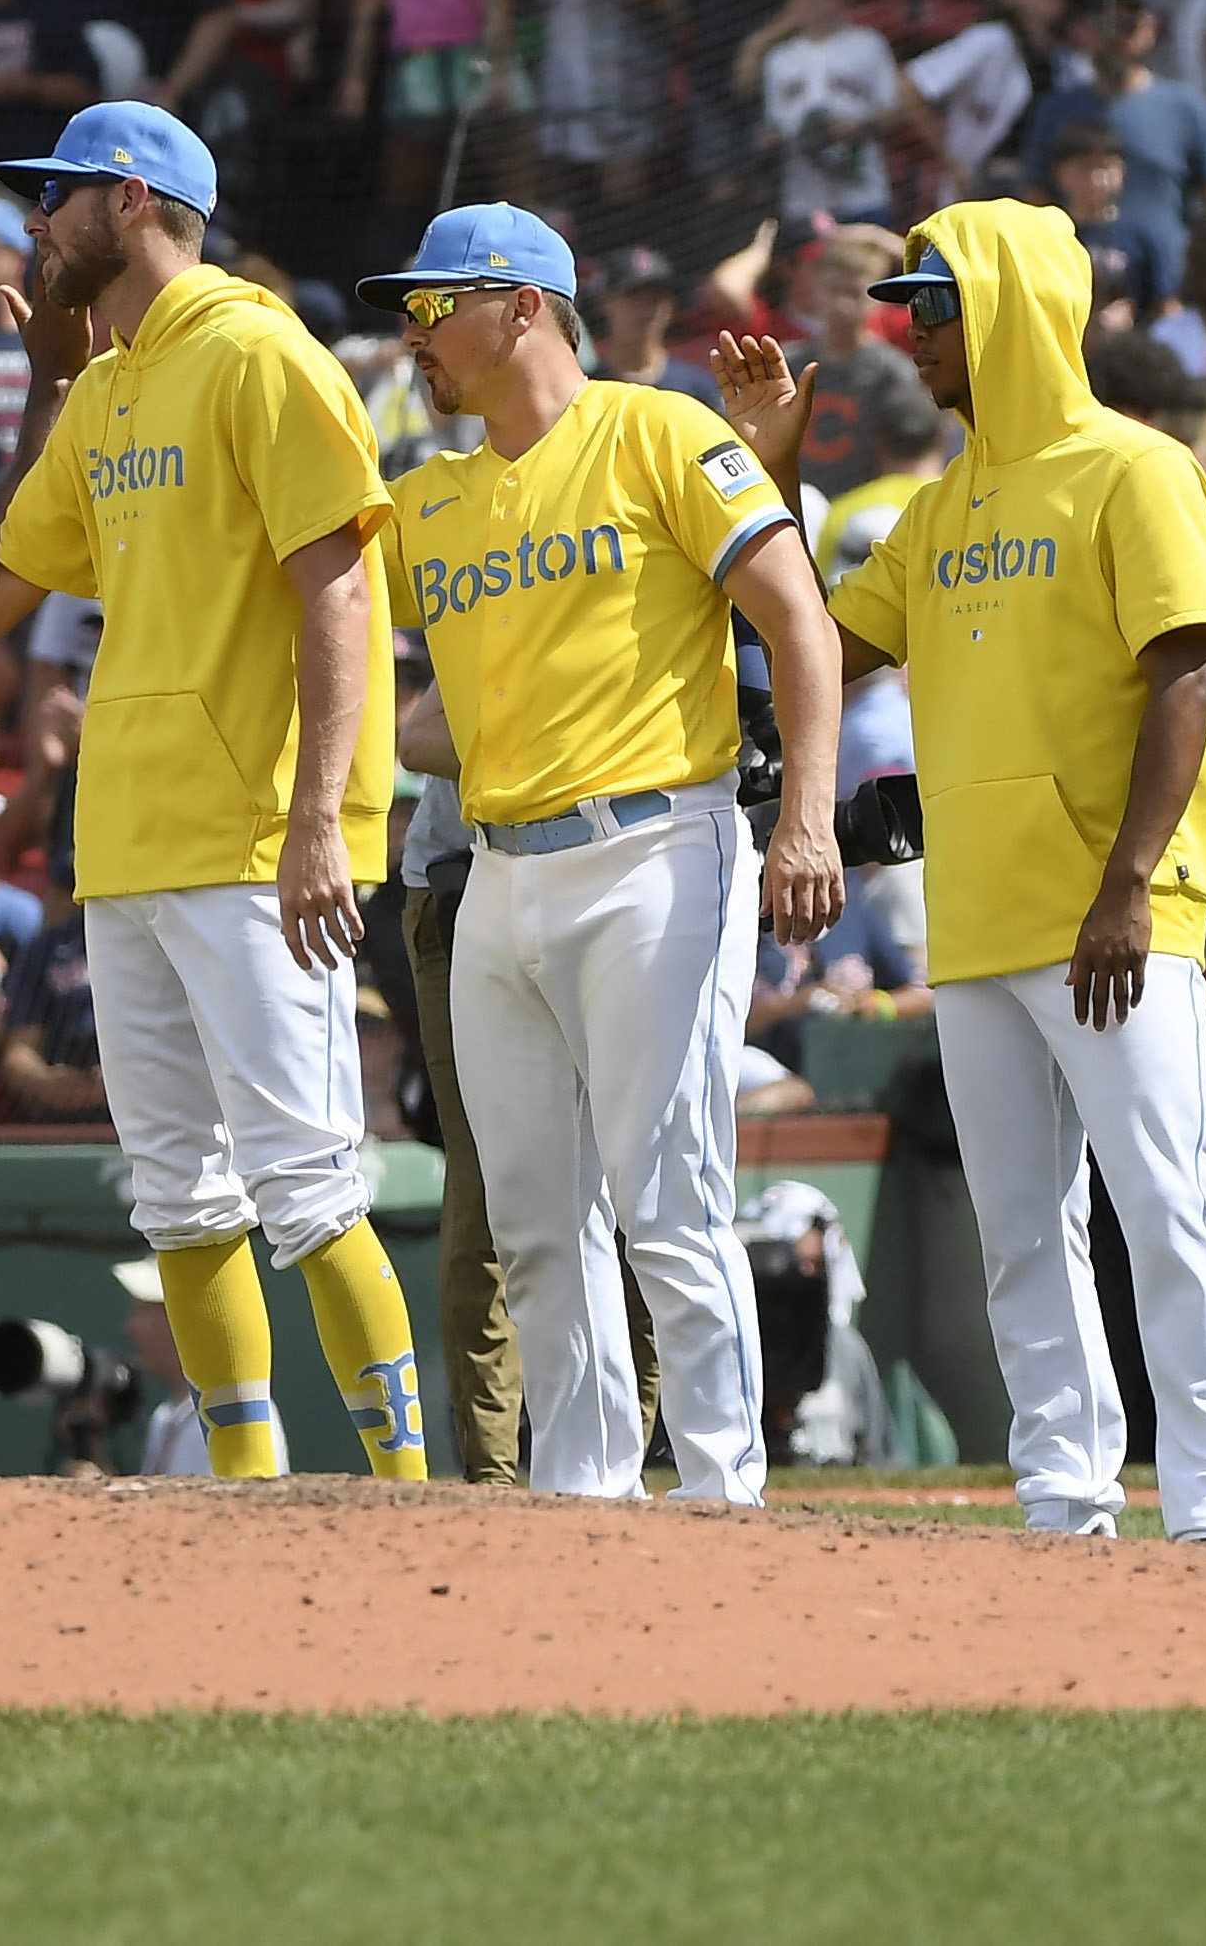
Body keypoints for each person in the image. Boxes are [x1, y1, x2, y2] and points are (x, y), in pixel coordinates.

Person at [0, 101, 426, 1479]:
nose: (31, 225)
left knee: (307, 1186)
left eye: (53, 198)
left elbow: (341, 591)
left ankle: (416, 1499)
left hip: (253, 840)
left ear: (127, 201)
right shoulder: (113, 382)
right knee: (180, 1199)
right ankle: (243, 1487)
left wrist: (319, 819)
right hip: (124, 845)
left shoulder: (256, 351)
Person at [736, 200, 1206, 1542]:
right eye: (905, 304)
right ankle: (1063, 1496)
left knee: (1163, 1207)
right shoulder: (937, 504)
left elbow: (1185, 674)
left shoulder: (1134, 469)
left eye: (933, 304)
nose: (909, 334)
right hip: (975, 918)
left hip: (1112, 914)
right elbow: (813, 649)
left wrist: (1133, 881)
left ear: (1011, 304)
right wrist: (773, 476)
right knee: (1021, 1231)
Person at [360, 205, 845, 1503]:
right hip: (496, 868)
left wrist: (804, 816)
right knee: (531, 1223)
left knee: (666, 1197)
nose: (410, 333)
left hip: (652, 849)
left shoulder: (659, 429)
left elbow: (798, 616)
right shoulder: (430, 498)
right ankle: (580, 1500)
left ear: (521, 306)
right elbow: (412, 698)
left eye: (431, 304)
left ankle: (725, 1491)